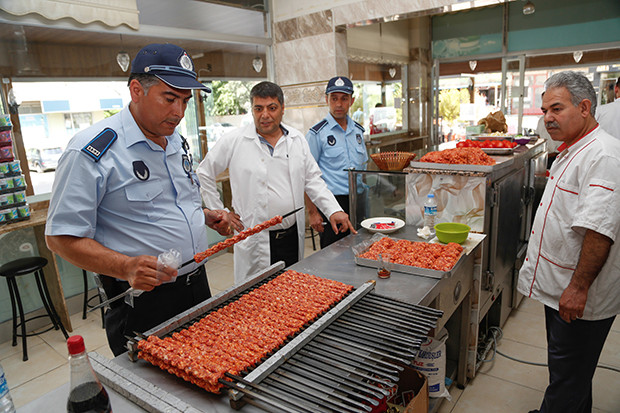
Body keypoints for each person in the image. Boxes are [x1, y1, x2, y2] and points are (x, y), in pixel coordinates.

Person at [45, 43, 239, 356]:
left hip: (197, 284)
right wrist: (125, 266)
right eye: (170, 98)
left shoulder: (175, 138)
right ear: (137, 90)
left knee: (205, 372)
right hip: (142, 300)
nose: (179, 112)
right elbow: (59, 237)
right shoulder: (92, 152)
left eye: (186, 101)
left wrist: (202, 215)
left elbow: (169, 201)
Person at [517, 71, 620, 413]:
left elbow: (599, 231)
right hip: (563, 288)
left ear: (585, 107)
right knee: (573, 373)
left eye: (557, 109)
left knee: (567, 378)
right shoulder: (574, 150)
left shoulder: (602, 156)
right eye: (544, 110)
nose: (547, 118)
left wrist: (577, 288)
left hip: (579, 295)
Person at [197, 81, 355, 283]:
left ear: (282, 109)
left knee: (289, 293)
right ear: (252, 110)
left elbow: (313, 180)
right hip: (255, 239)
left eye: (272, 108)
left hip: (291, 238)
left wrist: (333, 210)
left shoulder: (296, 139)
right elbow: (204, 172)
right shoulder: (234, 140)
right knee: (255, 299)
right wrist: (220, 211)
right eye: (258, 108)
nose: (265, 115)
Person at [305, 76, 368, 248]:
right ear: (327, 100)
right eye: (334, 98)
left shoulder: (358, 131)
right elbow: (306, 176)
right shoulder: (317, 134)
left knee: (362, 248)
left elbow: (363, 171)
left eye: (344, 98)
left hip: (359, 202)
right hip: (331, 203)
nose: (339, 104)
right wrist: (313, 212)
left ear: (351, 101)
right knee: (334, 256)